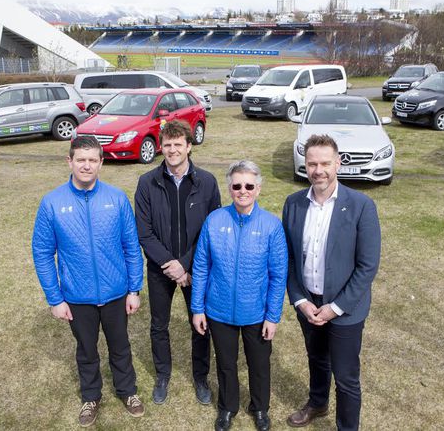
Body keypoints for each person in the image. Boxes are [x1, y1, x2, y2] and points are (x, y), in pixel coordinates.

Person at [31, 136, 145, 427]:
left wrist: (134, 289)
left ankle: (127, 391)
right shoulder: (52, 203)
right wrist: (55, 299)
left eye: (93, 160)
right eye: (81, 159)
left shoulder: (117, 198)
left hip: (116, 292)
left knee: (120, 346)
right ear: (69, 161)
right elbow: (43, 253)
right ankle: (91, 396)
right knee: (86, 350)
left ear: (101, 163)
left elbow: (132, 247)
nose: (86, 165)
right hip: (77, 297)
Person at [282, 134, 381, 431]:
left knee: (346, 376)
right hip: (308, 303)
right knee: (316, 358)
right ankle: (318, 402)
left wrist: (335, 308)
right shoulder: (294, 204)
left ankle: (347, 427)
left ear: (338, 163)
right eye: (312, 164)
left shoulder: (362, 205)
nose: (318, 170)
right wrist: (300, 300)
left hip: (345, 310)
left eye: (325, 163)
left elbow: (367, 266)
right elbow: (287, 258)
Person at [191, 160, 288, 431]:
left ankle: (260, 408)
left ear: (258, 189)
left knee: (259, 365)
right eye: (236, 185)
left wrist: (273, 316)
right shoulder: (214, 220)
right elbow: (201, 266)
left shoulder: (271, 226)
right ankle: (227, 408)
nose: (242, 191)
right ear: (230, 188)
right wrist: (197, 308)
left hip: (256, 313)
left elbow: (278, 276)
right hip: (219, 310)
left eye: (248, 185)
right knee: (226, 364)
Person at [134, 120, 221, 405]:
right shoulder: (147, 182)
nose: (171, 150)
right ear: (161, 146)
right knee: (159, 325)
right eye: (167, 145)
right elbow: (143, 232)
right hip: (160, 270)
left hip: (195, 270)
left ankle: (200, 377)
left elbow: (212, 229)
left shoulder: (207, 182)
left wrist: (186, 264)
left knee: (200, 323)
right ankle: (162, 375)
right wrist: (171, 265)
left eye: (177, 145)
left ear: (189, 146)